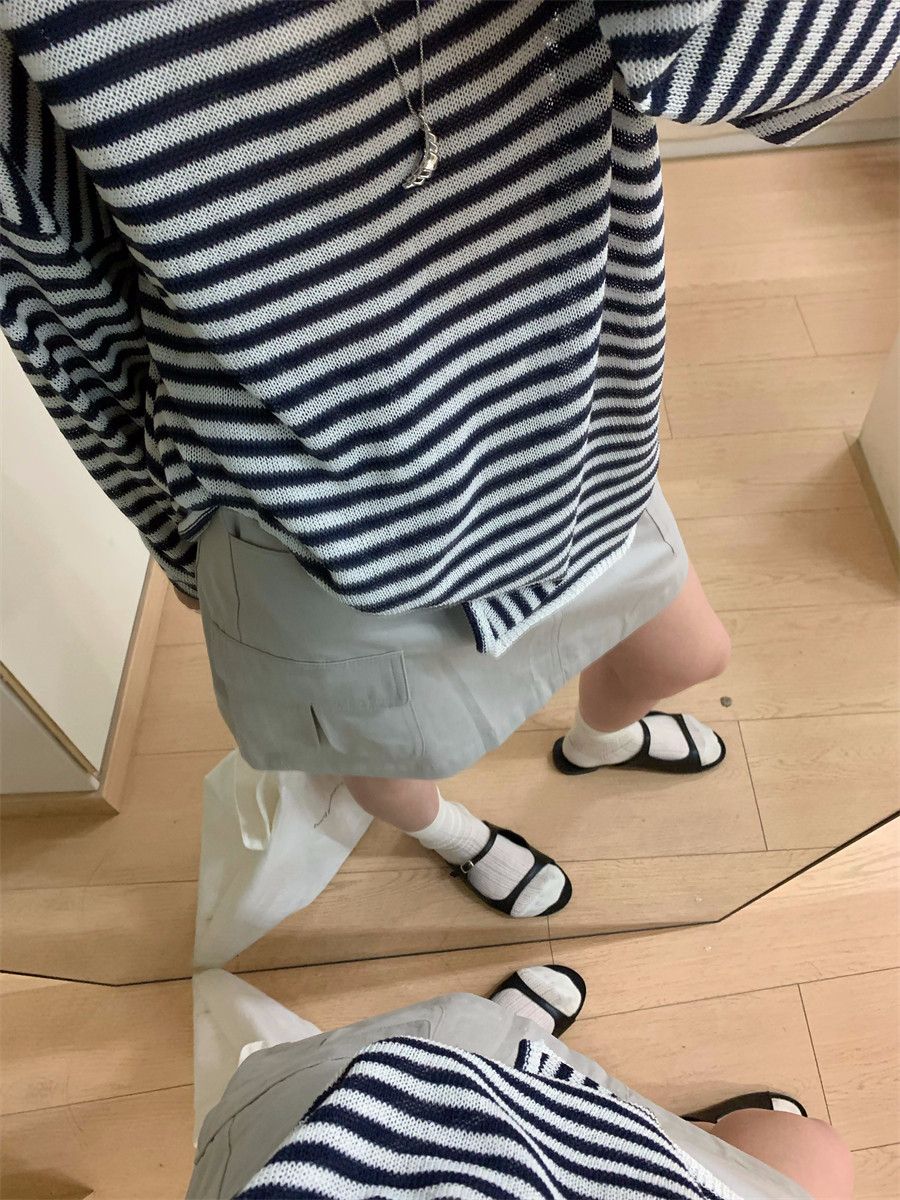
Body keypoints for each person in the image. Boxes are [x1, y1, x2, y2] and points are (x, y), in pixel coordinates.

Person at [2, 1, 899, 919]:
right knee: (394, 757)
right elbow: (64, 308)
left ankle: (597, 739)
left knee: (690, 652)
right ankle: (455, 837)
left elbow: (803, 62)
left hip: (570, 435)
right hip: (322, 518)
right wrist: (180, 547)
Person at [188, 964, 853, 1199]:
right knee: (812, 1152)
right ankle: (639, 1122)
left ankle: (515, 1060)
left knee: (461, 1042)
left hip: (373, 1138)